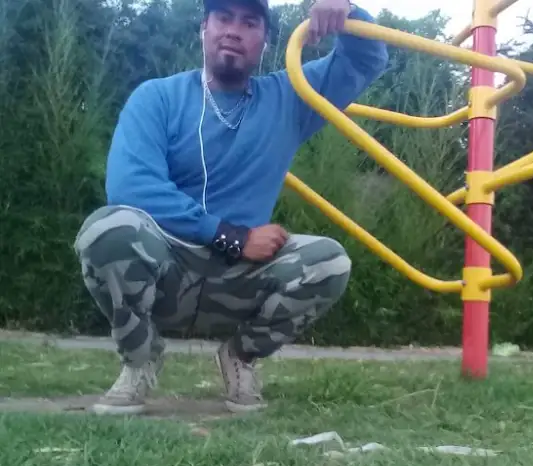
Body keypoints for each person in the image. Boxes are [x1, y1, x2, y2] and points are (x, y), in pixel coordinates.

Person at [74, 0, 389, 415]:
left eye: (250, 22)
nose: (234, 30)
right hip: (168, 267)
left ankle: (240, 356)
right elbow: (130, 187)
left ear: (266, 41)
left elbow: (366, 60)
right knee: (107, 230)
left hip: (238, 279)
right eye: (223, 17)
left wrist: (345, 11)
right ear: (203, 28)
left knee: (330, 262)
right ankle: (140, 358)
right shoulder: (156, 97)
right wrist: (231, 235)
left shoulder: (290, 97)